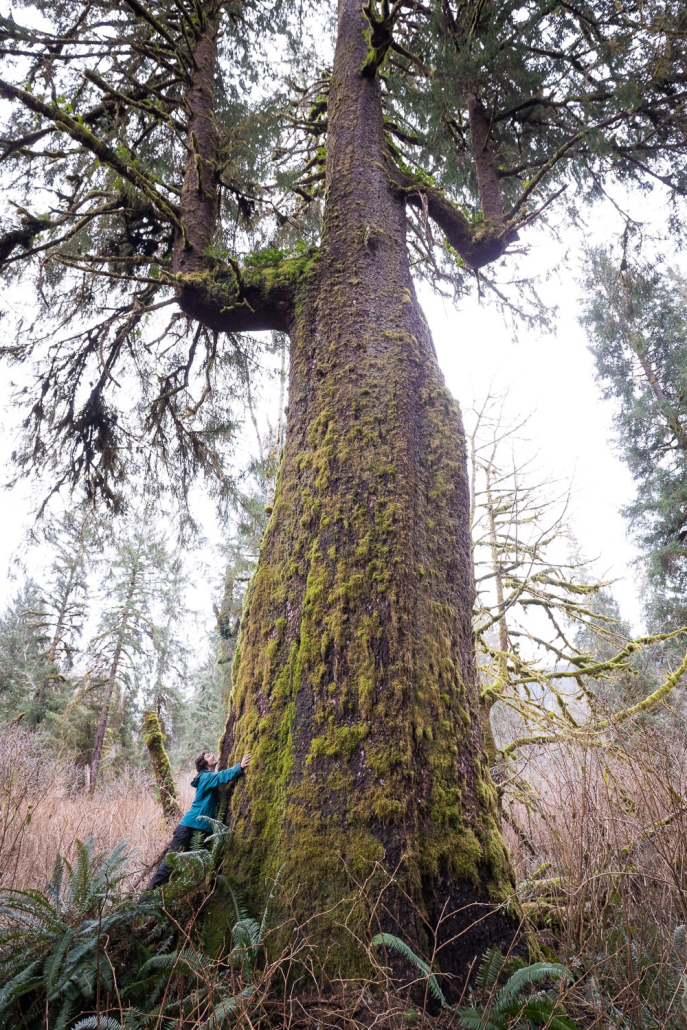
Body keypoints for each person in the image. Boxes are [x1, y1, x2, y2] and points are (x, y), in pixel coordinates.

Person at [145, 749, 251, 890]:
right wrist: (239, 767)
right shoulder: (205, 777)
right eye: (208, 756)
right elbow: (221, 776)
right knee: (169, 864)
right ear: (204, 763)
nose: (212, 755)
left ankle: (163, 896)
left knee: (188, 866)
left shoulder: (208, 778)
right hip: (188, 826)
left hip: (195, 827)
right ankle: (147, 897)